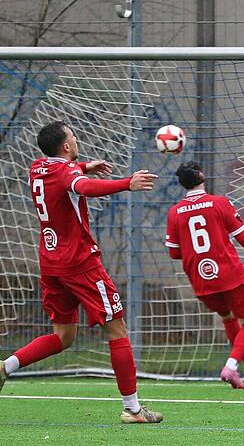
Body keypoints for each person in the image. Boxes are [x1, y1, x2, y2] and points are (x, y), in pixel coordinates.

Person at [0, 121, 162, 423]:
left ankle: (5, 366)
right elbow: (81, 186)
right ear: (65, 147)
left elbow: (69, 176)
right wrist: (127, 183)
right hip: (80, 264)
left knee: (63, 336)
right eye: (73, 137)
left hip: (50, 263)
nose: (76, 140)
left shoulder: (37, 167)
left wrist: (86, 165)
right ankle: (133, 408)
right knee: (116, 328)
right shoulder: (67, 173)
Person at [165, 161, 244, 389]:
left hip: (200, 279)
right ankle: (231, 367)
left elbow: (174, 252)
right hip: (229, 274)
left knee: (228, 318)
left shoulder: (175, 212)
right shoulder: (219, 203)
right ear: (202, 175)